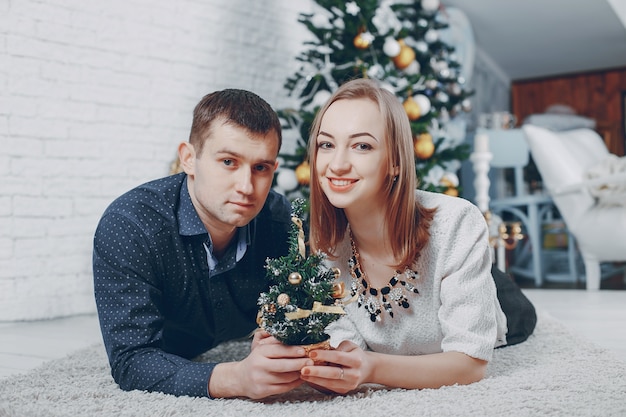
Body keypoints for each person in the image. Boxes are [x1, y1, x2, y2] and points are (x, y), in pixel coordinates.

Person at [296, 78, 534, 394]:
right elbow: (343, 350)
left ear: (395, 161)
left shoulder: (457, 222)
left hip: (495, 296)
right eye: (326, 144)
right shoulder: (318, 243)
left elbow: (471, 363)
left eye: (362, 145)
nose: (337, 165)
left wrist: (373, 367)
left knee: (518, 315)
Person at [93, 88, 314, 399]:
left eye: (260, 168)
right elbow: (131, 361)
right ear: (189, 159)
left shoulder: (282, 223)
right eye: (228, 161)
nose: (246, 187)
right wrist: (236, 378)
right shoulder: (130, 226)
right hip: (172, 346)